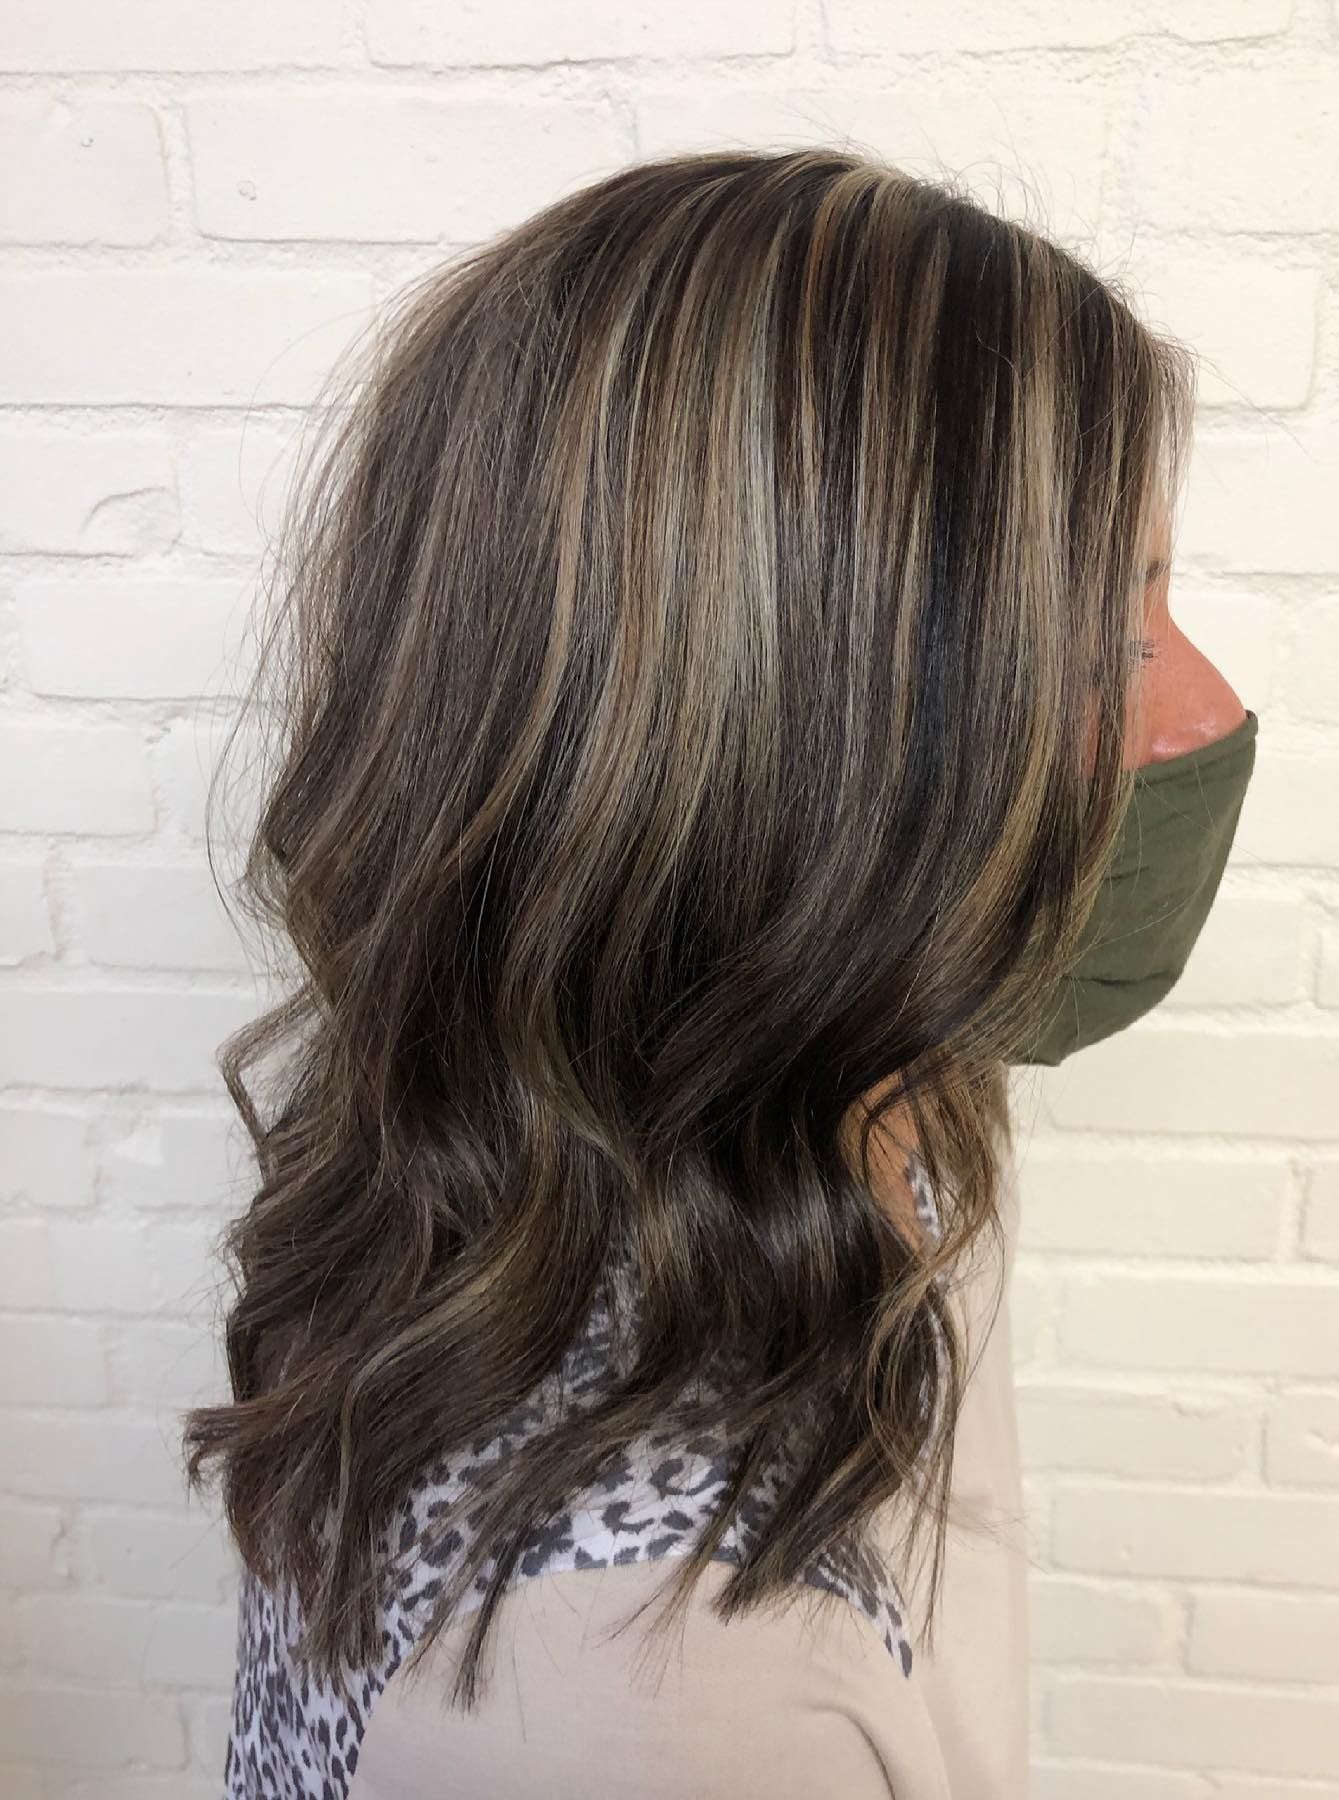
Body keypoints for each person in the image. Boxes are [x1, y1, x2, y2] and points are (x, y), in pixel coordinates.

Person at [187, 146, 1256, 1799]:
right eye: (1109, 637)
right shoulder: (663, 1699)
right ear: (798, 773)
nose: (1204, 714)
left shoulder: (815, 1112)